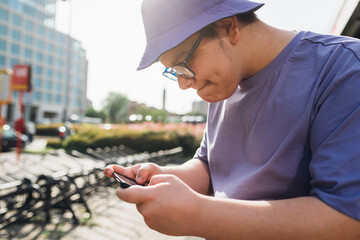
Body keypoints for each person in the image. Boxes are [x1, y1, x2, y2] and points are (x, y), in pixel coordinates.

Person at [104, 0, 360, 239]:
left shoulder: (345, 69)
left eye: (184, 63)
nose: (183, 84)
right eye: (174, 72)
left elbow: (347, 218)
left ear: (228, 27)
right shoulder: (224, 81)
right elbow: (209, 165)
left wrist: (197, 215)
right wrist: (164, 177)